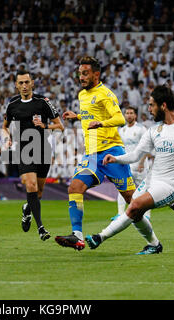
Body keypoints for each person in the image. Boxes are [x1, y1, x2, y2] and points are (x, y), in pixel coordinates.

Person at [85, 85, 174, 255]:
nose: (149, 109)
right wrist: (115, 158)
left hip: (170, 186)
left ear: (163, 105)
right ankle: (154, 244)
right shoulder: (153, 131)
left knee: (135, 207)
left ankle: (100, 237)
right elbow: (136, 155)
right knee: (135, 212)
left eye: (151, 105)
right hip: (151, 180)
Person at [54, 56, 135, 251]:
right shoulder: (82, 95)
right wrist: (78, 116)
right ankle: (77, 236)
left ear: (96, 74)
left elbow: (119, 118)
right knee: (75, 187)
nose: (81, 77)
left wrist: (101, 124)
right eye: (80, 73)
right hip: (91, 155)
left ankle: (157, 233)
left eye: (85, 73)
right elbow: (92, 115)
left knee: (134, 202)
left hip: (111, 151)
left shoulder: (106, 94)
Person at [2, 69, 64, 241]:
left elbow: (60, 126)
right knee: (30, 185)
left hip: (43, 148)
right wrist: (7, 139)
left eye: (26, 82)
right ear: (16, 85)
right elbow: (4, 126)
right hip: (23, 149)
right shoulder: (12, 104)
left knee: (39, 192)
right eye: (20, 83)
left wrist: (45, 126)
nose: (24, 86)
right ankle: (41, 228)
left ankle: (27, 209)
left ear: (32, 83)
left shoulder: (43, 102)